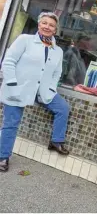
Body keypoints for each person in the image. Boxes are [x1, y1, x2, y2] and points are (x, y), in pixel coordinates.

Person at [0, 12, 70, 172]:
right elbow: (8, 61)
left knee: (63, 108)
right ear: (39, 25)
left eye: (51, 25)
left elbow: (57, 73)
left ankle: (56, 141)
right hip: (19, 89)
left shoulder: (57, 50)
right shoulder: (25, 40)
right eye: (44, 23)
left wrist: (52, 88)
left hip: (43, 91)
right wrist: (11, 82)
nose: (47, 27)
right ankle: (3, 157)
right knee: (11, 124)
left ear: (55, 29)